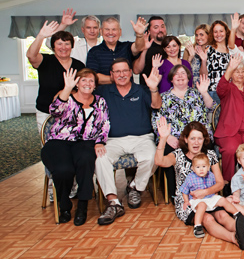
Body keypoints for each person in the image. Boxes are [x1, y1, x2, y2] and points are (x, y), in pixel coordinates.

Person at [154, 119, 244, 249]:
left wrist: (205, 192)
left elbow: (220, 183)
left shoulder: (210, 155)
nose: (196, 142)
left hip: (209, 197)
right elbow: (159, 161)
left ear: (204, 140)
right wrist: (163, 138)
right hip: (188, 202)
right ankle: (235, 239)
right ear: (186, 139)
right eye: (193, 138)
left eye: (199, 138)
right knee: (207, 219)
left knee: (222, 215)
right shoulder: (177, 155)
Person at [94, 59, 162, 225]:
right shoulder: (103, 92)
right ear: (111, 75)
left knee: (153, 156)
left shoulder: (142, 90)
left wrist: (153, 88)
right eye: (117, 72)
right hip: (112, 139)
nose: (121, 74)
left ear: (131, 72)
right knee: (100, 159)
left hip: (142, 138)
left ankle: (135, 188)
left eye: (125, 71)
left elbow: (157, 104)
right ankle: (113, 202)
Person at [40, 68, 109, 225]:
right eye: (83, 80)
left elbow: (105, 125)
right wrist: (67, 88)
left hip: (86, 142)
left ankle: (82, 207)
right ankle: (64, 206)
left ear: (95, 85)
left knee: (85, 162)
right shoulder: (67, 98)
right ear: (77, 83)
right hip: (59, 141)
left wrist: (99, 142)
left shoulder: (100, 101)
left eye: (91, 80)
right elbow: (55, 111)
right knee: (64, 170)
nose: (87, 83)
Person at [151, 66, 214, 198]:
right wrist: (168, 138)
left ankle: (206, 189)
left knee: (208, 148)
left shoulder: (196, 93)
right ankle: (177, 194)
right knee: (168, 151)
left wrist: (204, 92)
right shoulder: (163, 97)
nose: (180, 76)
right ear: (171, 79)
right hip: (173, 138)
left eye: (183, 73)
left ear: (188, 77)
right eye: (176, 74)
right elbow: (156, 120)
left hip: (198, 137)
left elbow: (210, 107)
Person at [179, 152, 244, 241]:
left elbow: (215, 186)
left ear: (208, 167)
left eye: (204, 167)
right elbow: (184, 190)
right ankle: (197, 226)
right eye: (198, 167)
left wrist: (216, 195)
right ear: (193, 168)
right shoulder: (190, 177)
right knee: (202, 205)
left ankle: (237, 214)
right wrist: (186, 201)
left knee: (222, 200)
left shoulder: (210, 175)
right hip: (198, 200)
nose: (201, 169)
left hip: (210, 197)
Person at [27, 21, 85, 130]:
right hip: (46, 111)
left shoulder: (79, 65)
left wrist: (68, 92)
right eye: (59, 44)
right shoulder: (46, 61)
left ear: (72, 46)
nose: (63, 47)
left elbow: (83, 87)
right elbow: (31, 56)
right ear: (53, 46)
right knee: (48, 143)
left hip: (72, 111)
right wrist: (41, 36)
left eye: (67, 43)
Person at [86, 17, 149, 84]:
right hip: (104, 93)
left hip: (129, 93)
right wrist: (118, 78)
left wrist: (139, 35)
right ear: (101, 31)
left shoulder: (127, 46)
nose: (110, 33)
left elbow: (138, 47)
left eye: (114, 29)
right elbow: (92, 76)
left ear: (120, 32)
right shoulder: (94, 52)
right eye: (107, 29)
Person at [205, 20, 235, 106]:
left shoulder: (231, 50)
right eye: (215, 32)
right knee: (215, 118)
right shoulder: (209, 49)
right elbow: (205, 72)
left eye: (221, 31)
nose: (218, 34)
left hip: (229, 90)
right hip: (214, 90)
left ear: (226, 32)